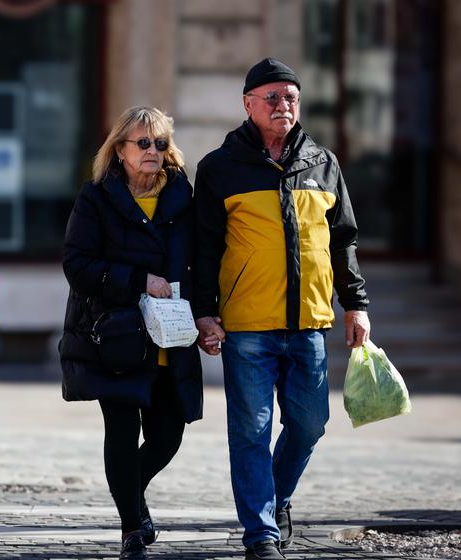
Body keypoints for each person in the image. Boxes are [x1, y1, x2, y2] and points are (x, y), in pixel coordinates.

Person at [193, 58, 371, 560]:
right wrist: (204, 312)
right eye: (271, 97)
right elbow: (203, 249)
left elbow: (345, 243)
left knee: (310, 423)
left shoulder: (323, 163)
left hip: (310, 323)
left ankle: (273, 499)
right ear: (247, 104)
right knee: (250, 430)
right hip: (247, 325)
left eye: (290, 97)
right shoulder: (219, 168)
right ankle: (261, 536)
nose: (283, 105)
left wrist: (355, 305)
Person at [59, 106, 203, 560]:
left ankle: (131, 495)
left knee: (169, 434)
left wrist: (208, 317)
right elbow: (77, 266)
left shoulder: (183, 196)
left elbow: (200, 265)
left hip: (172, 338)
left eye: (160, 143)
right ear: (119, 150)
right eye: (142, 143)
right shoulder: (96, 198)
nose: (152, 152)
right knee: (120, 433)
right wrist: (139, 280)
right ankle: (130, 530)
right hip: (117, 340)